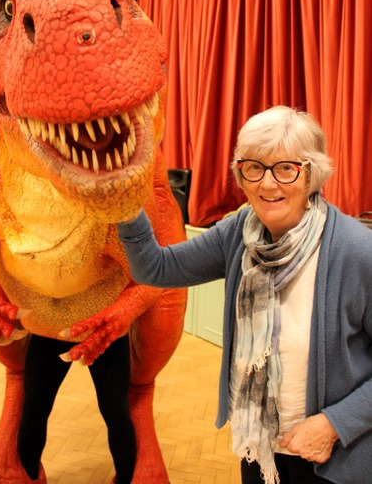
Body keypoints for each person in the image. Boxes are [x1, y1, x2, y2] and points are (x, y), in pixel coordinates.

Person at [117, 106, 372, 484]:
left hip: (334, 458)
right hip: (259, 446)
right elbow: (155, 268)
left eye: (286, 169)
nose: (268, 184)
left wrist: (334, 424)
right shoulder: (239, 233)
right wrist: (124, 202)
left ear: (311, 174)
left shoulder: (357, 252)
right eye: (254, 167)